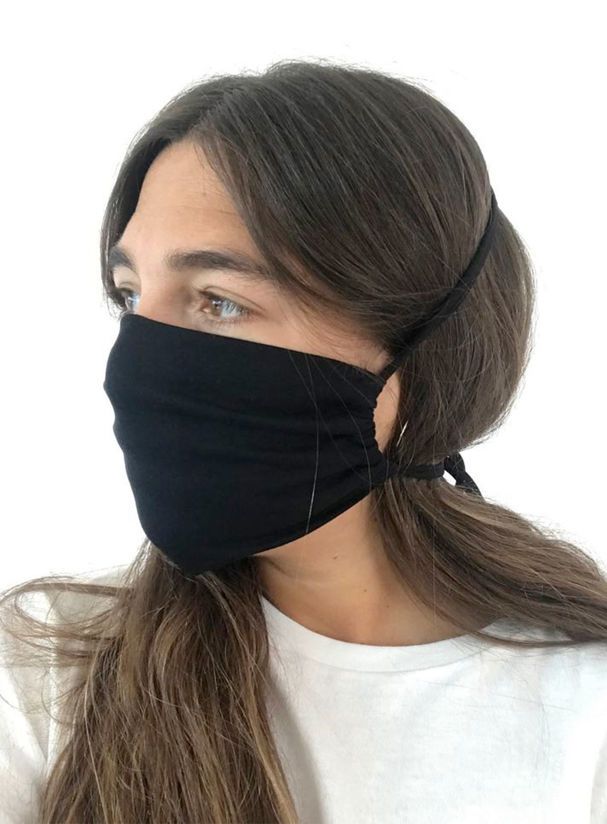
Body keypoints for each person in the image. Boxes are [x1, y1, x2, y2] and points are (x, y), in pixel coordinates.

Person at [1, 59, 606, 824]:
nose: (140, 360)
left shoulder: (584, 710)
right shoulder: (47, 671)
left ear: (424, 348)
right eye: (131, 295)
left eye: (218, 302)